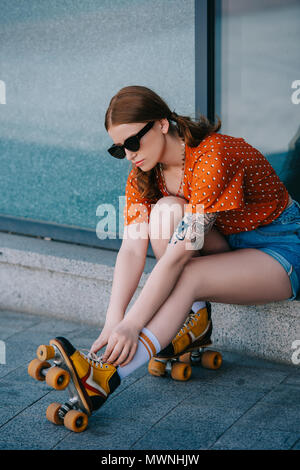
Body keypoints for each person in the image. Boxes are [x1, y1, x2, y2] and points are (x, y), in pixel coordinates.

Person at [57, 85, 300, 417]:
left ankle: (105, 377)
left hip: (281, 247)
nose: (129, 154)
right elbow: (131, 249)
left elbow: (177, 258)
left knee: (188, 274)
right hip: (230, 245)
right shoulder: (145, 173)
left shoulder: (213, 156)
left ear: (161, 123)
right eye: (119, 149)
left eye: (132, 142)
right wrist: (114, 323)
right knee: (167, 210)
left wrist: (133, 324)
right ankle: (195, 318)